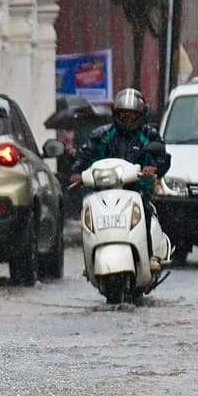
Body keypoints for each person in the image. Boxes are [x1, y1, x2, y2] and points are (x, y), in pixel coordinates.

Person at [68, 87, 171, 272]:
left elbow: (163, 157)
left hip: (137, 189)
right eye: (123, 114)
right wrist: (77, 171)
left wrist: (153, 168)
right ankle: (90, 259)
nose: (127, 118)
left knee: (145, 212)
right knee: (89, 213)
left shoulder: (149, 135)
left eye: (132, 115)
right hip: (104, 190)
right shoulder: (101, 135)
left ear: (141, 115)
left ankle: (150, 255)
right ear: (116, 114)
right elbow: (85, 155)